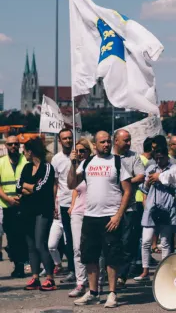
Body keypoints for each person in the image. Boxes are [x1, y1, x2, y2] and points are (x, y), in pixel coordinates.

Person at [67, 130, 133, 308]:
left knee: (112, 256)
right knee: (89, 256)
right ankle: (93, 292)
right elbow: (71, 183)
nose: (106, 144)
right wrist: (73, 164)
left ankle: (112, 293)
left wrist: (118, 215)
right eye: (102, 142)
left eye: (108, 141)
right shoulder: (87, 162)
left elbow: (127, 190)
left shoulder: (117, 162)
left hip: (110, 217)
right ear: (95, 145)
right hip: (90, 216)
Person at [17, 137, 57, 291]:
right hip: (28, 210)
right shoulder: (26, 168)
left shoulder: (47, 167)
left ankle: (50, 278)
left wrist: (29, 188)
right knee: (31, 245)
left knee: (41, 243)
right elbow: (18, 186)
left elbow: (41, 188)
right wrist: (30, 187)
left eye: (25, 151)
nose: (24, 154)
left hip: (42, 210)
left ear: (30, 151)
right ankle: (35, 277)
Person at [135, 146, 176, 283]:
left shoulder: (174, 168)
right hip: (151, 209)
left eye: (161, 158)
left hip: (167, 209)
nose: (158, 161)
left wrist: (161, 179)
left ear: (167, 156)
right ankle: (145, 270)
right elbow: (143, 189)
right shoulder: (151, 168)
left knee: (165, 242)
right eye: (156, 158)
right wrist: (147, 182)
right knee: (146, 241)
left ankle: (165, 272)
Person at [112, 129, 145, 288]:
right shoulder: (108, 157)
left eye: (129, 140)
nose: (129, 143)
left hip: (129, 208)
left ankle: (122, 274)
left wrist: (125, 182)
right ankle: (110, 272)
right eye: (125, 140)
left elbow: (141, 176)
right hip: (110, 207)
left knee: (126, 242)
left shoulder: (134, 157)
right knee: (111, 242)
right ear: (116, 141)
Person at [67, 138, 93, 297]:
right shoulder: (78, 166)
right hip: (78, 211)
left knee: (93, 249)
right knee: (77, 248)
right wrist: (73, 164)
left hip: (93, 211)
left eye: (82, 151)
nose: (80, 154)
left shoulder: (94, 165)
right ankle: (80, 283)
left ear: (89, 151)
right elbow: (73, 185)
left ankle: (95, 282)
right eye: (77, 151)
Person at [0, 134, 29, 278]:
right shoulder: (1, 162)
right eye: (10, 144)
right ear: (6, 146)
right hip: (7, 205)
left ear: (19, 146)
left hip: (24, 204)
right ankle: (17, 263)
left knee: (24, 236)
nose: (13, 147)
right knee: (12, 237)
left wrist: (22, 197)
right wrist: (8, 199)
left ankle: (23, 264)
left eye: (16, 144)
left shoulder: (25, 161)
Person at [50, 128, 77, 283]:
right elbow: (55, 184)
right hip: (65, 203)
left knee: (79, 239)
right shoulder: (56, 159)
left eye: (69, 138)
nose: (68, 141)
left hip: (80, 202)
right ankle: (72, 269)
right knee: (68, 240)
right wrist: (54, 203)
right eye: (64, 139)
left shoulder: (78, 154)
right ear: (59, 141)